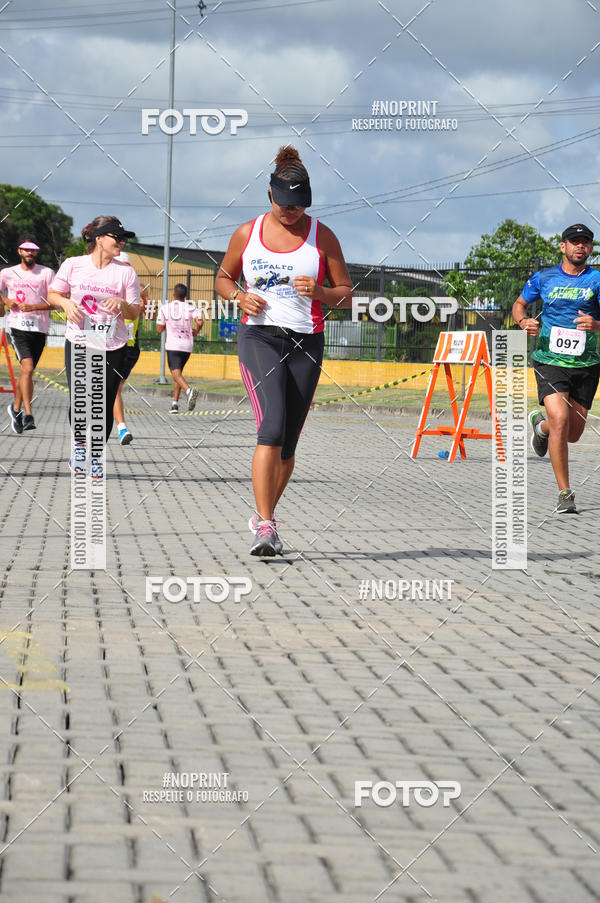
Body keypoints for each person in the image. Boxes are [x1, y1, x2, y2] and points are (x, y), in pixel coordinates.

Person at [215, 145, 353, 556]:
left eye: (299, 205)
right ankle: (267, 526)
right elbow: (223, 278)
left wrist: (323, 291)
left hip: (305, 343)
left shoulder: (322, 236)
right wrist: (239, 297)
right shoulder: (247, 233)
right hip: (259, 338)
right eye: (284, 203)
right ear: (269, 194)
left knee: (289, 441)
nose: (291, 211)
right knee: (271, 426)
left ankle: (264, 518)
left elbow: (345, 294)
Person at [513, 223, 600, 514]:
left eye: (585, 243)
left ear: (590, 248)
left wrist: (597, 325)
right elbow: (519, 305)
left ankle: (541, 426)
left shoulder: (597, 280)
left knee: (572, 433)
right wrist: (523, 322)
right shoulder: (544, 277)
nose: (580, 247)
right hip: (549, 360)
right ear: (562, 246)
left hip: (587, 363)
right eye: (574, 242)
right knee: (561, 419)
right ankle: (565, 493)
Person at [48, 215, 140, 476]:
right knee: (79, 399)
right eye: (117, 237)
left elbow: (134, 312)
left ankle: (96, 455)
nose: (121, 243)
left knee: (103, 402)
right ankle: (79, 448)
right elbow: (53, 294)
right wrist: (65, 303)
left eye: (123, 239)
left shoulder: (125, 272)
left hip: (112, 345)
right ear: (99, 238)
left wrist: (122, 304)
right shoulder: (73, 265)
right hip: (78, 341)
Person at [0, 236, 55, 433]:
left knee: (27, 373)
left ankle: (15, 409)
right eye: (25, 250)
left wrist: (33, 306)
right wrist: (6, 300)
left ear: (37, 253)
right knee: (28, 368)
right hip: (17, 328)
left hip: (39, 329)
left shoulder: (47, 273)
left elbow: (55, 301)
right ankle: (29, 414)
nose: (29, 253)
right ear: (19, 251)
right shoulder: (7, 273)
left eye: (33, 250)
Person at [111, 251, 149, 445]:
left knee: (114, 388)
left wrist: (143, 304)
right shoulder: (105, 286)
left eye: (126, 266)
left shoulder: (138, 289)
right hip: (107, 344)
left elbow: (147, 311)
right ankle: (121, 428)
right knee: (112, 388)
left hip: (129, 348)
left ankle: (119, 427)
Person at [156, 284, 201, 414]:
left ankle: (189, 391)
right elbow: (200, 321)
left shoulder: (165, 308)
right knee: (179, 373)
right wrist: (196, 331)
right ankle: (175, 404)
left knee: (175, 373)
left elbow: (159, 330)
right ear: (185, 296)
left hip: (173, 345)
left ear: (174, 294)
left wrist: (166, 325)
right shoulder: (191, 307)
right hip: (187, 345)